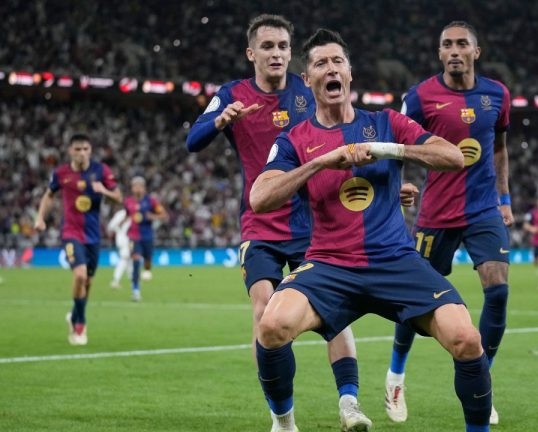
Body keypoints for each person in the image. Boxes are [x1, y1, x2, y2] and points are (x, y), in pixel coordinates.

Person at [250, 28, 493, 432]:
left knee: (466, 338)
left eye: (337, 62)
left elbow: (451, 156)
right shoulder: (295, 139)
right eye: (320, 64)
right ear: (307, 80)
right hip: (330, 265)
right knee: (272, 326)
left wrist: (387, 150)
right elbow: (260, 198)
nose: (331, 69)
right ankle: (283, 422)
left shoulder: (386, 123)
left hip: (394, 261)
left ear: (350, 74)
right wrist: (322, 162)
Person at [185, 15, 371, 431]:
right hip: (261, 225)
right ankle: (282, 419)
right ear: (252, 53)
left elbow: (345, 134)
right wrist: (220, 120)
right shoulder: (232, 94)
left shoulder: (308, 91)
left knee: (333, 315)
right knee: (263, 309)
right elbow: (192, 141)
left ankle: (349, 403)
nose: (277, 54)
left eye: (284, 47)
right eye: (268, 47)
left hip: (313, 227)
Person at [385, 21, 512, 425]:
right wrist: (400, 182)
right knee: (414, 302)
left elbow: (500, 149)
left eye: (462, 44)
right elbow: (398, 142)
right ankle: (396, 375)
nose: (454, 50)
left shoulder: (497, 94)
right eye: (447, 45)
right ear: (439, 54)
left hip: (483, 209)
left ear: (477, 51)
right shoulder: (420, 96)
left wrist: (505, 199)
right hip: (437, 215)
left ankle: (482, 382)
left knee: (499, 290)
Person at [34, 134, 122, 345]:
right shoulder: (61, 173)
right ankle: (80, 322)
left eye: (85, 149)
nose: (82, 153)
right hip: (71, 233)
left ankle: (74, 314)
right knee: (80, 276)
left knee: (88, 281)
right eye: (77, 149)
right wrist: (39, 218)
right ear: (70, 151)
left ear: (90, 151)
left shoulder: (101, 171)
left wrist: (104, 191)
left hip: (93, 235)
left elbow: (118, 196)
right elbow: (49, 195)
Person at [123, 176, 168, 301]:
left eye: (140, 186)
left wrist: (152, 216)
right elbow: (127, 215)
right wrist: (120, 224)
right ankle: (135, 290)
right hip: (133, 236)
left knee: (147, 262)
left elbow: (164, 215)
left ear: (144, 188)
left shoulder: (151, 201)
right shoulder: (128, 201)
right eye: (135, 186)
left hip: (147, 236)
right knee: (136, 260)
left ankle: (147, 269)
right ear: (132, 188)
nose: (137, 188)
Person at [106, 208, 132, 289]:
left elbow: (110, 226)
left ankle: (133, 279)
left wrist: (117, 229)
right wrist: (119, 229)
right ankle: (115, 280)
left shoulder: (121, 213)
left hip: (125, 239)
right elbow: (111, 226)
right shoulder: (122, 214)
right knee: (124, 259)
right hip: (124, 240)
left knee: (128, 260)